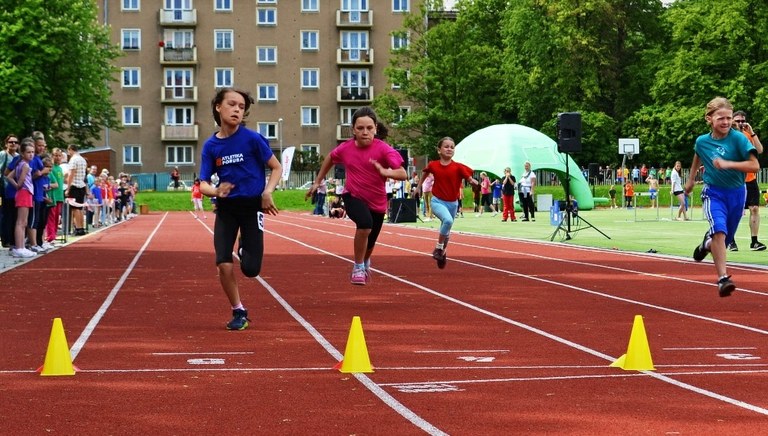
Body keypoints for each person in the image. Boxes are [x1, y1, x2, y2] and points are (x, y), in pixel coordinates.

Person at [198, 88, 282, 330]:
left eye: (241, 107)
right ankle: (238, 310)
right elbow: (203, 183)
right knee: (223, 262)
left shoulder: (253, 139)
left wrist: (267, 192)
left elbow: (276, 167)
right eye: (232, 104)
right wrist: (216, 191)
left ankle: (244, 243)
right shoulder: (211, 146)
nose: (237, 110)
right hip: (226, 208)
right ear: (218, 107)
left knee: (251, 270)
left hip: (252, 207)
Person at [306, 106, 406, 285]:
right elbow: (330, 158)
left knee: (371, 241)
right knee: (365, 225)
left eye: (369, 128)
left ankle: (365, 261)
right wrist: (317, 182)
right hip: (353, 196)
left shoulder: (384, 150)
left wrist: (386, 171)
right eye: (360, 128)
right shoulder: (345, 148)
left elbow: (402, 173)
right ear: (353, 130)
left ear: (375, 128)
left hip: (377, 201)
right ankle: (358, 267)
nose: (365, 132)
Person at [686, 97, 759, 297]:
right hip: (713, 193)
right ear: (709, 119)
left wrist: (729, 164)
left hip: (737, 193)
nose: (726, 122)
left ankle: (706, 245)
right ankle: (723, 279)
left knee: (722, 242)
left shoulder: (739, 139)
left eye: (729, 118)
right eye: (721, 118)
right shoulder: (702, 141)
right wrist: (691, 180)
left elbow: (755, 166)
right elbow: (697, 155)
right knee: (719, 230)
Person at [417, 137, 478, 268]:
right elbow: (425, 173)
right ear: (439, 150)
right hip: (437, 201)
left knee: (447, 230)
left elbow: (469, 178)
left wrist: (473, 182)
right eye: (446, 146)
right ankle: (438, 248)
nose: (449, 149)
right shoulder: (433, 165)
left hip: (453, 203)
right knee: (448, 221)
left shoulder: (458, 167)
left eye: (452, 147)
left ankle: (442, 252)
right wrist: (418, 187)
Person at [732, 110, 765, 251]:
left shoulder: (748, 135)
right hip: (735, 179)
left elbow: (760, 150)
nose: (740, 123)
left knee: (755, 208)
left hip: (750, 178)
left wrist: (752, 133)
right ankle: (730, 240)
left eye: (742, 121)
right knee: (734, 211)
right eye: (737, 121)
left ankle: (754, 241)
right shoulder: (728, 135)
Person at [7, 141, 36, 258]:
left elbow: (9, 177)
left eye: (32, 152)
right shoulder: (25, 166)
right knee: (21, 222)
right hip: (24, 192)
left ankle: (21, 247)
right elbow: (20, 181)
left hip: (24, 193)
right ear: (22, 153)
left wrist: (17, 186)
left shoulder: (20, 164)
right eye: (28, 152)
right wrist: (18, 185)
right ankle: (19, 248)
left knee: (23, 222)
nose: (31, 154)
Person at [65, 144, 88, 236]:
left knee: (75, 208)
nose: (68, 153)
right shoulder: (83, 159)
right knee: (80, 208)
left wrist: (68, 188)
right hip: (81, 185)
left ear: (70, 149)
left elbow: (71, 174)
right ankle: (81, 227)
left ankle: (78, 228)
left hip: (74, 186)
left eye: (68, 151)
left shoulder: (73, 159)